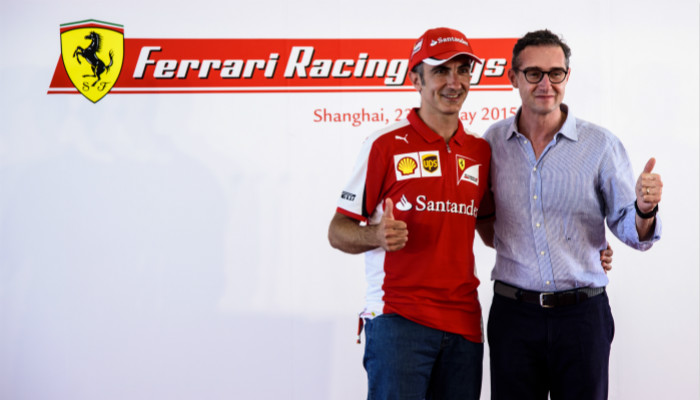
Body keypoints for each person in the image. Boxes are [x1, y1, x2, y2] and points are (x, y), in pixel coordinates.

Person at [479, 29, 663, 400]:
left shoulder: (600, 145)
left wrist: (645, 209)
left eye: (556, 73)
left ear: (567, 76)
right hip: (514, 317)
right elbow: (486, 220)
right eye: (534, 73)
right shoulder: (492, 143)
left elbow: (631, 230)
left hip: (582, 317)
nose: (545, 84)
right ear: (513, 77)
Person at [327, 27, 492, 399]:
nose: (454, 82)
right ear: (416, 79)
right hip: (399, 319)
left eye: (463, 70)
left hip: (465, 324)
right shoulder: (384, 144)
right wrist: (374, 235)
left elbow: (494, 231)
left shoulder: (480, 151)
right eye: (441, 71)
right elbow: (337, 230)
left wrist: (578, 245)